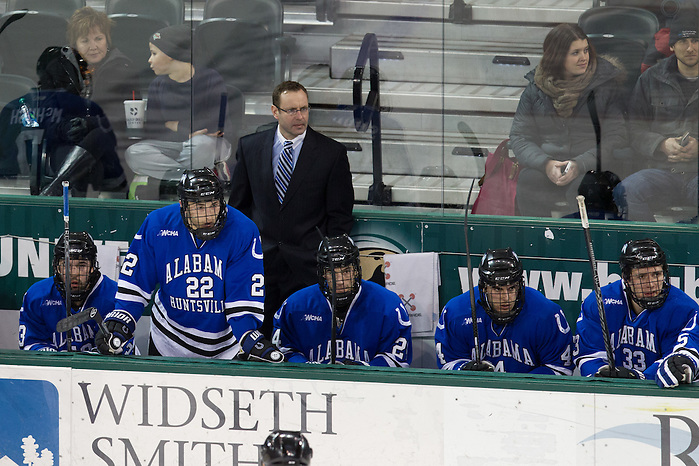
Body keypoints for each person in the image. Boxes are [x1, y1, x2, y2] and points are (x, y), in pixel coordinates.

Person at [103, 168, 281, 362]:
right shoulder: (158, 224)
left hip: (225, 347)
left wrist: (248, 337)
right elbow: (136, 284)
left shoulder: (243, 230)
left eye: (213, 205)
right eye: (199, 207)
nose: (208, 216)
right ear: (183, 205)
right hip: (167, 340)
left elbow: (242, 300)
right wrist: (121, 320)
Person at [229, 80, 354, 338]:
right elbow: (238, 208)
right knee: (256, 340)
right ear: (275, 112)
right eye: (292, 110)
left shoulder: (332, 154)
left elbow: (339, 217)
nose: (300, 116)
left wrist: (326, 262)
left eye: (305, 109)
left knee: (305, 340)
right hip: (260, 265)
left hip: (307, 267)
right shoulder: (250, 147)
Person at [509, 23, 627, 217]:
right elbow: (520, 136)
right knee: (529, 179)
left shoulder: (605, 85)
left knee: (586, 187)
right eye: (575, 53)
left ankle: (580, 245)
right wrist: (545, 164)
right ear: (557, 56)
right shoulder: (536, 88)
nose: (584, 58)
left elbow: (618, 137)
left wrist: (580, 163)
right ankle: (539, 241)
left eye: (586, 50)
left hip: (590, 166)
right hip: (550, 164)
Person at [0, 46, 125, 195]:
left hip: (36, 174)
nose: (86, 78)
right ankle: (55, 191)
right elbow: (44, 127)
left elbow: (111, 125)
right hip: (37, 168)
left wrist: (87, 124)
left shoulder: (18, 104)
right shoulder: (33, 104)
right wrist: (70, 127)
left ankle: (54, 191)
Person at [272, 234, 412, 366]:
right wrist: (309, 370)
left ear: (356, 270)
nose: (340, 281)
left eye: (346, 271)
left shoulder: (388, 306)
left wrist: (364, 370)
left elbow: (396, 359)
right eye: (332, 273)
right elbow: (283, 352)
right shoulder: (294, 306)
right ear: (322, 274)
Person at [125, 24, 231, 198]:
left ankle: (180, 178)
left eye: (154, 53)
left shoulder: (211, 78)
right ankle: (194, 178)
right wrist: (185, 131)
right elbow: (155, 129)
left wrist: (175, 125)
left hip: (209, 145)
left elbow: (215, 124)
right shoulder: (157, 85)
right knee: (134, 152)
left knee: (200, 145)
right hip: (176, 146)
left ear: (172, 54)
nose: (149, 60)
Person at [612, 14, 698, 222]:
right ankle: (651, 248)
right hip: (662, 171)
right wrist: (661, 144)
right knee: (625, 191)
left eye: (696, 40)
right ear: (671, 46)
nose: (690, 48)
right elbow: (632, 129)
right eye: (683, 42)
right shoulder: (651, 79)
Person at [575, 238, 699, 379]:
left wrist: (638, 377)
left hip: (660, 393)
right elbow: (588, 354)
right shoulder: (600, 302)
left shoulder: (682, 309)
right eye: (642, 276)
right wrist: (602, 373)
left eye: (656, 274)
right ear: (626, 278)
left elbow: (674, 363)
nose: (651, 284)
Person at [435, 248, 573, 374]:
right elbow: (448, 363)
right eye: (497, 289)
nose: (506, 298)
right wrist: (465, 368)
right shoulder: (457, 313)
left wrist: (519, 388)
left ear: (520, 285)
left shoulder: (546, 314)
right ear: (483, 288)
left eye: (512, 288)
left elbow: (559, 370)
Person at [18, 232, 134, 354]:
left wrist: (112, 349)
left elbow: (125, 351)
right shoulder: (37, 296)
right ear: (57, 267)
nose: (73, 273)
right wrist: (53, 359)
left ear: (92, 267)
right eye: (66, 265)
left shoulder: (115, 296)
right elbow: (31, 343)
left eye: (81, 265)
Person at [67, 7, 139, 154]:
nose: (93, 47)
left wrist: (88, 123)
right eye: (85, 41)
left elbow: (123, 115)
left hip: (109, 139)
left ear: (107, 40)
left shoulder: (122, 68)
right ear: (75, 45)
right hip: (74, 134)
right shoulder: (66, 68)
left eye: (98, 39)